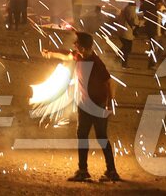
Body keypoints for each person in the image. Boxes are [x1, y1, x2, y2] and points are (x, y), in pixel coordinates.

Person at [43, 31, 121, 183]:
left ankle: (111, 171)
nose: (74, 45)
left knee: (101, 137)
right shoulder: (80, 56)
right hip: (84, 105)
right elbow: (67, 55)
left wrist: (109, 103)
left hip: (97, 106)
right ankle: (83, 170)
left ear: (84, 48)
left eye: (77, 43)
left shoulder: (96, 63)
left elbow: (110, 82)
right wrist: (51, 53)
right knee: (82, 136)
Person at [116, 1, 140, 67]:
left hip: (122, 31)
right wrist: (139, 23)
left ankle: (118, 58)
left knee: (125, 47)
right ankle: (123, 63)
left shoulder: (125, 9)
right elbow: (134, 20)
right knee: (127, 48)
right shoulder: (131, 9)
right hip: (127, 32)